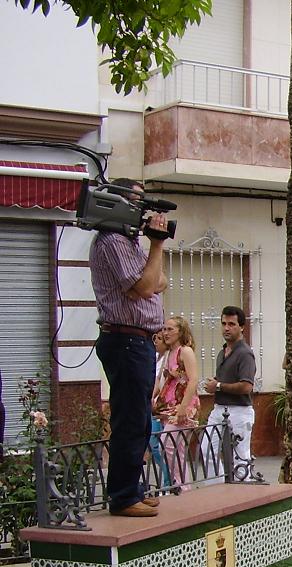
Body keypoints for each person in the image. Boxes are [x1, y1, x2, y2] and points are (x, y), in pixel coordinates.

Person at [89, 178, 168, 517]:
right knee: (130, 418)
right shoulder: (112, 241)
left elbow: (159, 281)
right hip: (126, 340)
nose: (142, 209)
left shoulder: (129, 242)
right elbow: (147, 285)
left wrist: (151, 259)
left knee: (138, 417)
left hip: (136, 340)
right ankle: (123, 496)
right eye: (136, 201)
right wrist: (157, 245)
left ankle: (132, 488)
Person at [204, 306, 257, 479]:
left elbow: (246, 386)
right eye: (224, 323)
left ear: (241, 327)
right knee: (207, 451)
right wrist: (215, 383)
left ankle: (244, 495)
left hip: (239, 410)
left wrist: (218, 386)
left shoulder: (245, 354)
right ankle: (216, 489)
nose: (226, 328)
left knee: (241, 457)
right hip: (219, 409)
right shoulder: (222, 352)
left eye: (232, 324)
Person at [155, 316, 201, 490]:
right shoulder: (168, 354)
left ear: (180, 332)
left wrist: (183, 408)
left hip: (184, 406)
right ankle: (182, 485)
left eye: (170, 329)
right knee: (176, 447)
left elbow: (193, 379)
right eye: (164, 329)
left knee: (168, 441)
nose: (166, 333)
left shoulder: (185, 351)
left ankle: (180, 484)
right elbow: (163, 381)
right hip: (170, 405)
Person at [148, 331, 171, 487]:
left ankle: (168, 482)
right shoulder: (155, 359)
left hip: (164, 407)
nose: (155, 341)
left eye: (159, 338)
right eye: (154, 338)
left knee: (161, 444)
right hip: (154, 406)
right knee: (152, 443)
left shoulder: (169, 358)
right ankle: (167, 478)